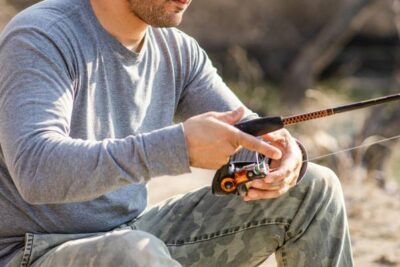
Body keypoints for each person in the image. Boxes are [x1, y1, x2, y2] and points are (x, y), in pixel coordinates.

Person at [0, 0, 353, 266]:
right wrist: (176, 147)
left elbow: (247, 137)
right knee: (135, 254)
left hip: (131, 233)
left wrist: (285, 157)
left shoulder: (178, 51)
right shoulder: (40, 36)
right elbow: (36, 171)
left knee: (313, 188)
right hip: (33, 251)